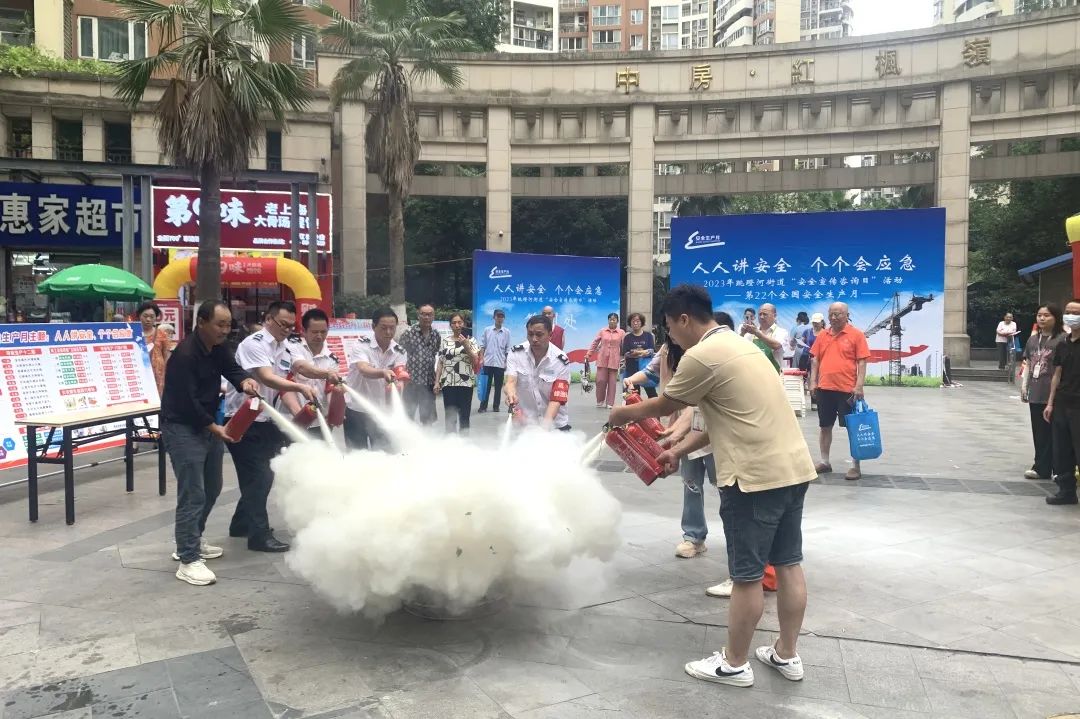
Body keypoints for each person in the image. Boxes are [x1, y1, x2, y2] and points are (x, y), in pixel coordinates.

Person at [609, 284, 816, 689]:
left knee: (747, 575)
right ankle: (786, 654)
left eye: (670, 328)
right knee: (789, 564)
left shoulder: (702, 355)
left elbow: (665, 404)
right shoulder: (742, 347)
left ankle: (734, 664)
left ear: (684, 319)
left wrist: (620, 414)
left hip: (754, 479)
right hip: (793, 469)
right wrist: (677, 450)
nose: (671, 337)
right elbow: (721, 421)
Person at [162, 300, 259, 586]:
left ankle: (193, 538)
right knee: (193, 492)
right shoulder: (185, 355)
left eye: (228, 324)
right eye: (220, 324)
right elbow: (186, 402)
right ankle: (188, 558)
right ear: (201, 322)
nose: (225, 330)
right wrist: (215, 428)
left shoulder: (217, 347)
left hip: (206, 425)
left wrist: (245, 382)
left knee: (212, 486)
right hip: (182, 427)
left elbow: (232, 369)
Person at [223, 301, 317, 553]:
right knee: (259, 477)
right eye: (283, 324)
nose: (287, 330)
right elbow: (266, 377)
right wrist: (300, 387)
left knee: (262, 476)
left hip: (265, 420)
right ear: (268, 319)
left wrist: (324, 374)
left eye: (291, 326)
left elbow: (300, 366)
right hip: (243, 420)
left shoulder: (285, 347)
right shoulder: (254, 344)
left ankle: (241, 524)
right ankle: (259, 535)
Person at [809, 302, 870, 481]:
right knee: (825, 426)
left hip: (847, 389)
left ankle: (855, 466)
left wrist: (859, 385)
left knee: (852, 428)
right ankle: (824, 462)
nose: (834, 318)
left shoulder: (856, 335)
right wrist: (813, 382)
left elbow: (862, 361)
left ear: (847, 315)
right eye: (831, 314)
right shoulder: (823, 335)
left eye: (838, 314)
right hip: (824, 388)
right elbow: (815, 360)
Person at [345, 307, 407, 450]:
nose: (388, 332)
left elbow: (400, 374)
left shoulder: (400, 351)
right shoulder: (361, 345)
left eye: (392, 328)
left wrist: (399, 386)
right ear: (373, 326)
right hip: (357, 409)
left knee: (383, 453)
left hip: (381, 411)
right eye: (384, 328)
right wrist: (383, 372)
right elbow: (363, 369)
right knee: (356, 454)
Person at [504, 315, 571, 430]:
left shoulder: (560, 360)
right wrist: (510, 394)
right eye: (530, 334)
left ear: (550, 335)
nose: (534, 339)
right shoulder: (516, 353)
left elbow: (556, 399)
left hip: (554, 424)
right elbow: (510, 382)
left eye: (539, 335)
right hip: (525, 423)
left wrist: (543, 429)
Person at [1043, 300, 1080, 505]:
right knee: (1062, 450)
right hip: (1062, 403)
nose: (1071, 315)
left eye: (1076, 312)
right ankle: (1066, 491)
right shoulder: (1063, 343)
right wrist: (1050, 403)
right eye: (1068, 312)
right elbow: (1057, 374)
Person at [1022, 304, 1064, 481]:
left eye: (1046, 315)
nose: (1042, 318)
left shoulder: (1063, 339)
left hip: (1056, 394)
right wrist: (1024, 386)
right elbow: (1028, 363)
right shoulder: (1033, 340)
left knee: (1057, 432)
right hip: (1036, 392)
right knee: (1039, 432)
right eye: (1039, 315)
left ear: (1056, 317)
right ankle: (1041, 467)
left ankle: (1059, 468)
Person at [287, 308, 343, 439]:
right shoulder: (292, 348)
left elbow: (330, 388)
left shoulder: (332, 359)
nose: (319, 336)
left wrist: (333, 411)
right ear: (304, 331)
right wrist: (327, 374)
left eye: (323, 332)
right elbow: (302, 367)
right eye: (314, 332)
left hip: (320, 422)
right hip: (293, 419)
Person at [434, 313, 479, 434]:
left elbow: (475, 360)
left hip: (465, 383)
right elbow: (440, 362)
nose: (457, 325)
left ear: (463, 323)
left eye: (459, 322)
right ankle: (450, 441)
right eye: (454, 323)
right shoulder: (445, 341)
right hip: (448, 383)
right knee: (450, 416)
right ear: (450, 325)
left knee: (464, 416)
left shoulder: (471, 340)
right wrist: (437, 382)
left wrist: (466, 345)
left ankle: (464, 442)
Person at [398, 303, 440, 425]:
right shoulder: (408, 333)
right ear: (418, 316)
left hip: (428, 382)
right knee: (408, 416)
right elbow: (399, 354)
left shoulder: (436, 334)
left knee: (428, 418)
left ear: (433, 316)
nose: (427, 317)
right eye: (423, 314)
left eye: (429, 314)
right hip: (411, 382)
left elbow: (435, 353)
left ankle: (427, 436)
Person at [586, 312, 626, 409]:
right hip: (602, 358)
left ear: (617, 321)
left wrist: (624, 357)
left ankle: (610, 402)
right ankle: (600, 400)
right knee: (600, 381)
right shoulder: (602, 331)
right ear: (608, 320)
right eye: (610, 319)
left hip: (614, 359)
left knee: (612, 382)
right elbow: (595, 342)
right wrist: (589, 353)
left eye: (614, 319)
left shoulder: (621, 332)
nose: (612, 321)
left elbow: (625, 345)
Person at [477, 309, 511, 414]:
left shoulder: (507, 332)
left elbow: (507, 349)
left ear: (504, 318)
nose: (500, 318)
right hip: (487, 363)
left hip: (500, 363)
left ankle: (496, 406)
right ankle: (483, 406)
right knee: (486, 386)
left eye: (502, 316)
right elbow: (482, 346)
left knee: (498, 387)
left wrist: (506, 362)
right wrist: (481, 359)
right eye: (498, 316)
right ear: (494, 317)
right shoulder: (487, 330)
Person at [740, 303, 789, 371]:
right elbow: (740, 348)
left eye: (765, 314)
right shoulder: (751, 332)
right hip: (755, 372)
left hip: (774, 373)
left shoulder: (781, 332)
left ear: (774, 316)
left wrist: (757, 332)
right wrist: (742, 333)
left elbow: (776, 345)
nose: (762, 317)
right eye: (760, 314)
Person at [137, 301, 171, 397]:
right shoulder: (133, 334)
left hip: (158, 376)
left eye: (152, 316)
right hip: (139, 373)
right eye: (145, 316)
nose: (148, 319)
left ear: (156, 317)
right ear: (139, 316)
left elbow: (166, 355)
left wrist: (165, 373)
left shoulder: (162, 334)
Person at [623, 312, 657, 398]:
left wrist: (637, 353)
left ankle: (654, 407)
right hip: (631, 369)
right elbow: (626, 353)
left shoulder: (648, 336)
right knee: (632, 396)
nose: (635, 323)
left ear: (641, 322)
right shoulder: (627, 337)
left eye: (638, 321)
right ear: (630, 323)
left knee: (652, 394)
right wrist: (643, 352)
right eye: (633, 321)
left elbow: (651, 351)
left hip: (645, 369)